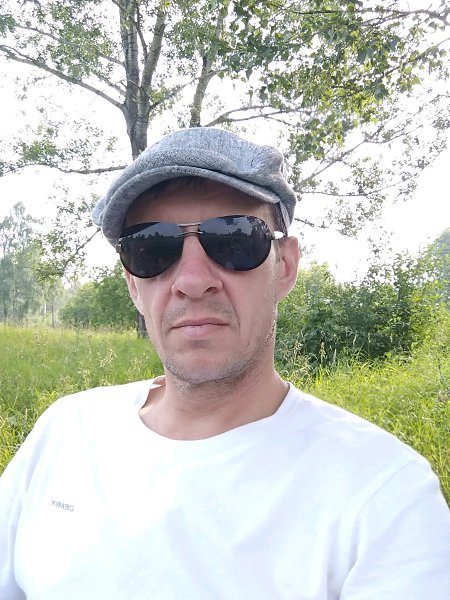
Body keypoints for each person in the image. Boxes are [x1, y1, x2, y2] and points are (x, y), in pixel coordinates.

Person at [0, 128, 449, 600]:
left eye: (234, 239)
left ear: (285, 266)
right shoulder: (65, 431)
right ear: (133, 284)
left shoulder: (383, 494)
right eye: (152, 248)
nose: (193, 281)